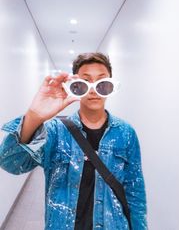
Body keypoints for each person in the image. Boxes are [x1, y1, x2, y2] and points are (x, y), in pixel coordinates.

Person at [0, 52, 147, 230]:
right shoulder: (54, 131)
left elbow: (135, 192)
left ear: (110, 85)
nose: (93, 89)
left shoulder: (126, 133)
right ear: (75, 86)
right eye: (85, 82)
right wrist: (34, 116)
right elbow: (10, 163)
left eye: (102, 83)